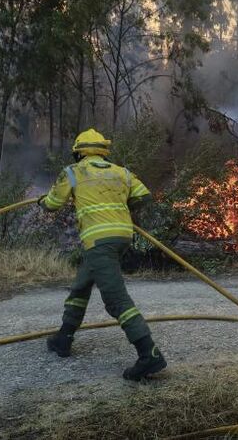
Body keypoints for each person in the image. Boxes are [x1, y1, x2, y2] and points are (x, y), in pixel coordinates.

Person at [38, 128, 166, 381]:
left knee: (116, 300)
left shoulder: (73, 173)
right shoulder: (121, 172)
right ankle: (63, 337)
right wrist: (121, 207)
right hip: (121, 237)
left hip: (98, 241)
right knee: (82, 285)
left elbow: (52, 204)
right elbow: (143, 196)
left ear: (78, 153)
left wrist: (41, 201)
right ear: (104, 152)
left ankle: (148, 354)